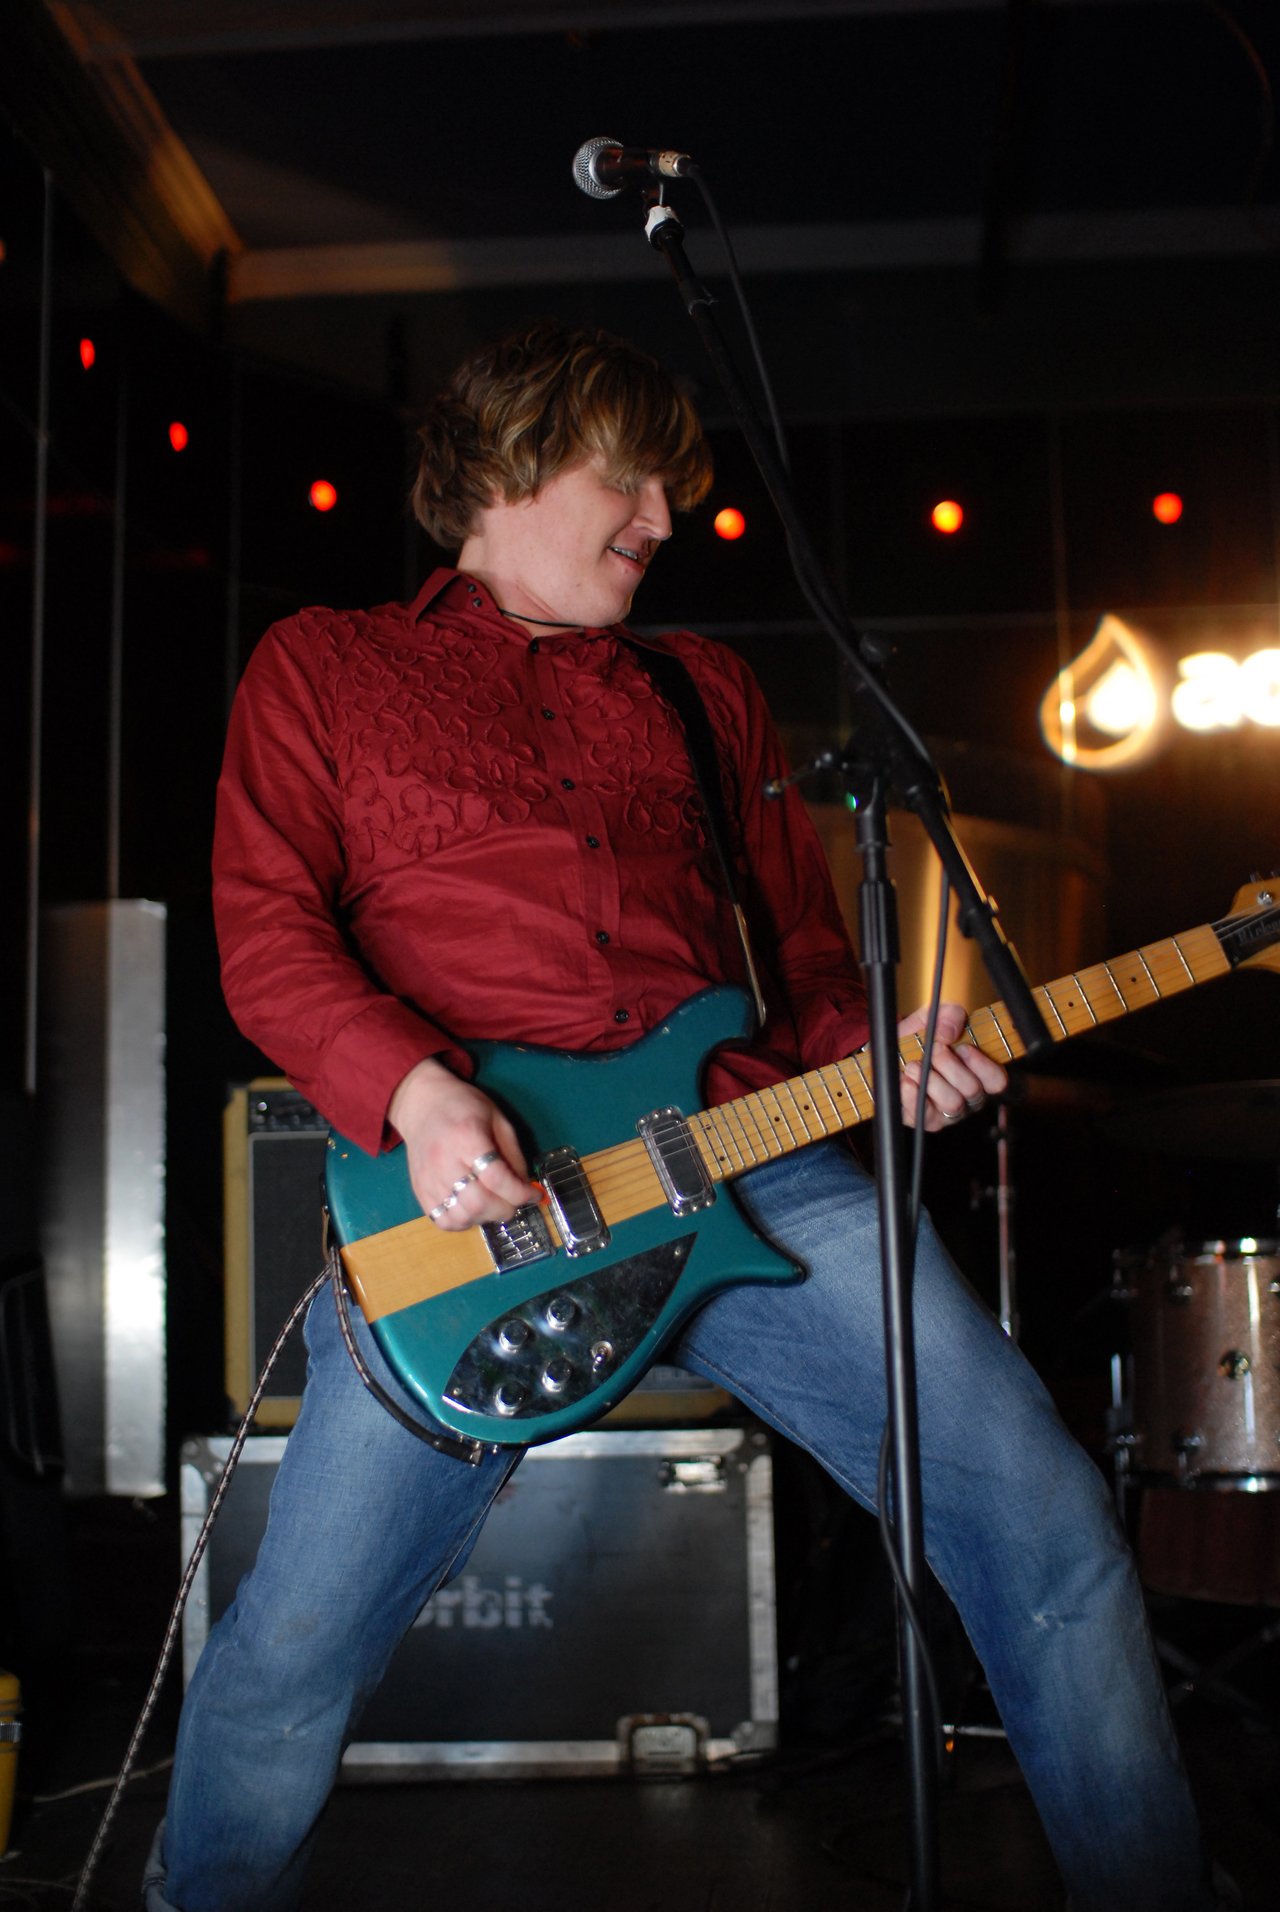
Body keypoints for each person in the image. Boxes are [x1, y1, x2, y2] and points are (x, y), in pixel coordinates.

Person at [145, 321, 1216, 1911]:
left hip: (754, 1167)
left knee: (1047, 1526)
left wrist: (889, 1043)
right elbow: (266, 932)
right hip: (472, 1209)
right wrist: (421, 1092)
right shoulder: (324, 663)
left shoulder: (703, 689)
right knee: (283, 1656)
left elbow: (791, 973)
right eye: (629, 476)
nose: (664, 516)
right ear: (507, 462)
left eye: (677, 488)